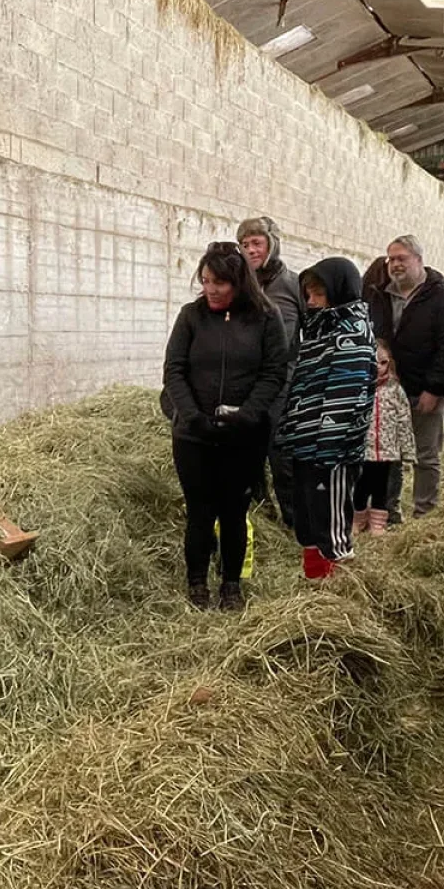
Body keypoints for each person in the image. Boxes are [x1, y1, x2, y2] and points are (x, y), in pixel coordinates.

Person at [162, 241, 290, 611]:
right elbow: (174, 370)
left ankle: (231, 585)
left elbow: (274, 372)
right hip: (194, 435)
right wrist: (191, 416)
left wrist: (248, 414)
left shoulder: (267, 318)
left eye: (220, 282)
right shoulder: (191, 316)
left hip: (244, 436)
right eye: (205, 280)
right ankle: (197, 583)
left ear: (239, 282)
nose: (211, 289)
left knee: (234, 511)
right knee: (200, 511)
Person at [275, 257, 378, 580]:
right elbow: (303, 387)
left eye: (318, 294)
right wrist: (291, 431)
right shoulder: (319, 331)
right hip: (308, 443)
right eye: (308, 295)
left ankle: (339, 590)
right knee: (306, 520)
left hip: (331, 453)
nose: (311, 302)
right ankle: (314, 584)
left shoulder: (352, 334)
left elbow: (344, 398)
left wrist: (328, 450)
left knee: (329, 523)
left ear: (339, 290)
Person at [367, 235, 444, 521]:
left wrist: (434, 388)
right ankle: (388, 513)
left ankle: (425, 514)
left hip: (425, 390)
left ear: (419, 261)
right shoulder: (381, 295)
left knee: (425, 456)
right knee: (389, 453)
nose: (395, 265)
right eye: (391, 259)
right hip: (389, 390)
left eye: (402, 259)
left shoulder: (442, 297)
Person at [237, 216, 304, 529]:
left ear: (272, 245)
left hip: (284, 381)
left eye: (257, 243)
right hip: (249, 382)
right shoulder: (240, 286)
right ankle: (261, 517)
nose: (251, 250)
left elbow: (311, 331)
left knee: (282, 454)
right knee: (249, 452)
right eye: (245, 244)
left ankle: (294, 521)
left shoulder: (292, 284)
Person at [353, 338, 415, 536]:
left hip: (387, 452)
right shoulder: (360, 390)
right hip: (365, 451)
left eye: (383, 362)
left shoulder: (396, 390)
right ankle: (358, 520)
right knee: (361, 486)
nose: (379, 367)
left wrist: (408, 451)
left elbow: (404, 421)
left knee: (381, 488)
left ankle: (377, 525)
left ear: (390, 362)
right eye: (374, 361)